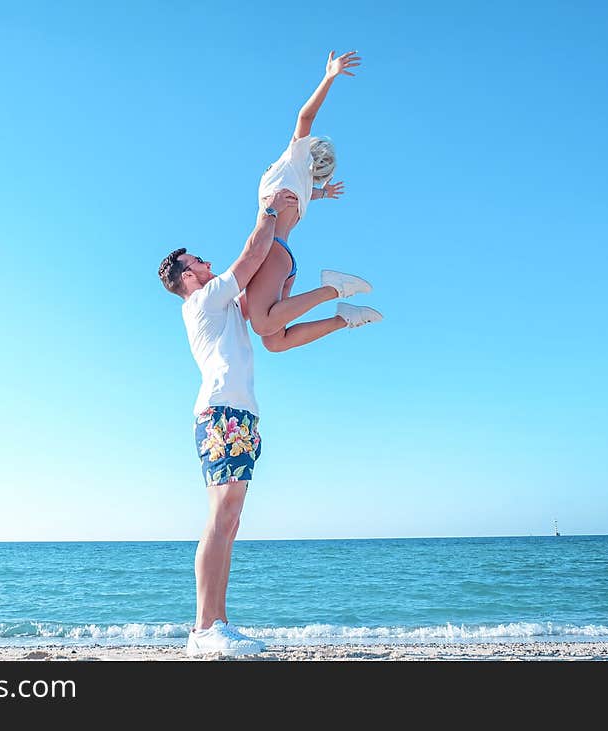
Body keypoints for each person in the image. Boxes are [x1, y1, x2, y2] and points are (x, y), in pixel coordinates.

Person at [158, 188, 300, 656]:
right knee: (220, 519)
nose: (206, 260)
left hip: (238, 413)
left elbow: (264, 302)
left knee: (231, 520)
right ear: (187, 274)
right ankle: (202, 630)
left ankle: (218, 622)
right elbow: (252, 253)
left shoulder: (221, 305)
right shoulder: (203, 301)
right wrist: (269, 210)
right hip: (221, 412)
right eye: (198, 259)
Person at [246, 50, 383, 352]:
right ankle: (343, 320)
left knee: (262, 324)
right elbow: (309, 194)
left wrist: (329, 76)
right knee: (274, 341)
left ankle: (334, 288)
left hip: (270, 251)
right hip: (283, 257)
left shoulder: (293, 161)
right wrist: (324, 193)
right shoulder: (303, 184)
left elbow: (304, 116)